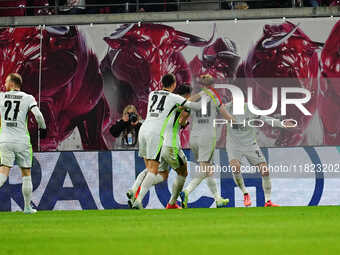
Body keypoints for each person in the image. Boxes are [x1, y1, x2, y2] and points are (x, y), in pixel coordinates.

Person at [131, 74, 201, 209]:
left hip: (159, 143)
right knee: (183, 172)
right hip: (171, 145)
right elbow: (183, 119)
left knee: (160, 174)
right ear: (185, 95)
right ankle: (172, 203)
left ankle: (136, 190)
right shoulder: (181, 105)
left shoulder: (159, 100)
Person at [224, 101, 295, 207]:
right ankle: (245, 193)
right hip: (234, 145)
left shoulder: (250, 108)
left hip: (250, 145)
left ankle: (268, 201)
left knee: (265, 170)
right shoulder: (227, 108)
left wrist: (281, 124)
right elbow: (214, 110)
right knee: (235, 167)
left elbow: (265, 119)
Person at [180, 74, 234, 209]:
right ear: (212, 85)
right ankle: (187, 191)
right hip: (207, 136)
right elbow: (225, 114)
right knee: (206, 168)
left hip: (194, 138)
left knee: (207, 168)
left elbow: (183, 114)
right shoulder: (214, 96)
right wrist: (236, 123)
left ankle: (218, 199)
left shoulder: (194, 98)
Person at [0, 73, 47, 214]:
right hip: (22, 141)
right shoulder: (28, 98)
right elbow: (38, 115)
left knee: (3, 173)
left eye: (7, 82)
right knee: (26, 173)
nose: (5, 84)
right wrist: (43, 128)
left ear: (13, 83)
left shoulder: (1, 96)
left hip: (5, 140)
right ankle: (27, 208)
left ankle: (27, 207)